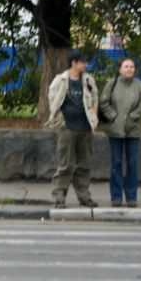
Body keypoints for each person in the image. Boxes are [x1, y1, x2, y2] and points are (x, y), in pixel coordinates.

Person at [45, 51, 99, 209]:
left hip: (85, 128)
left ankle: (84, 196)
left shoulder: (88, 80)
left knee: (84, 164)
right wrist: (60, 121)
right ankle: (59, 198)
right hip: (67, 128)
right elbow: (52, 101)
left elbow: (95, 99)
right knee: (65, 164)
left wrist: (93, 119)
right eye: (83, 62)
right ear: (74, 63)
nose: (86, 65)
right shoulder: (60, 80)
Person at [98, 57, 141, 207]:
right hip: (115, 130)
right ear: (120, 69)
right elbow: (103, 102)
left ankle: (132, 196)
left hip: (133, 130)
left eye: (131, 67)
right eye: (126, 66)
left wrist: (133, 116)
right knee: (116, 163)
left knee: (132, 163)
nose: (129, 69)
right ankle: (116, 196)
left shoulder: (140, 86)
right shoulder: (111, 84)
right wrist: (113, 116)